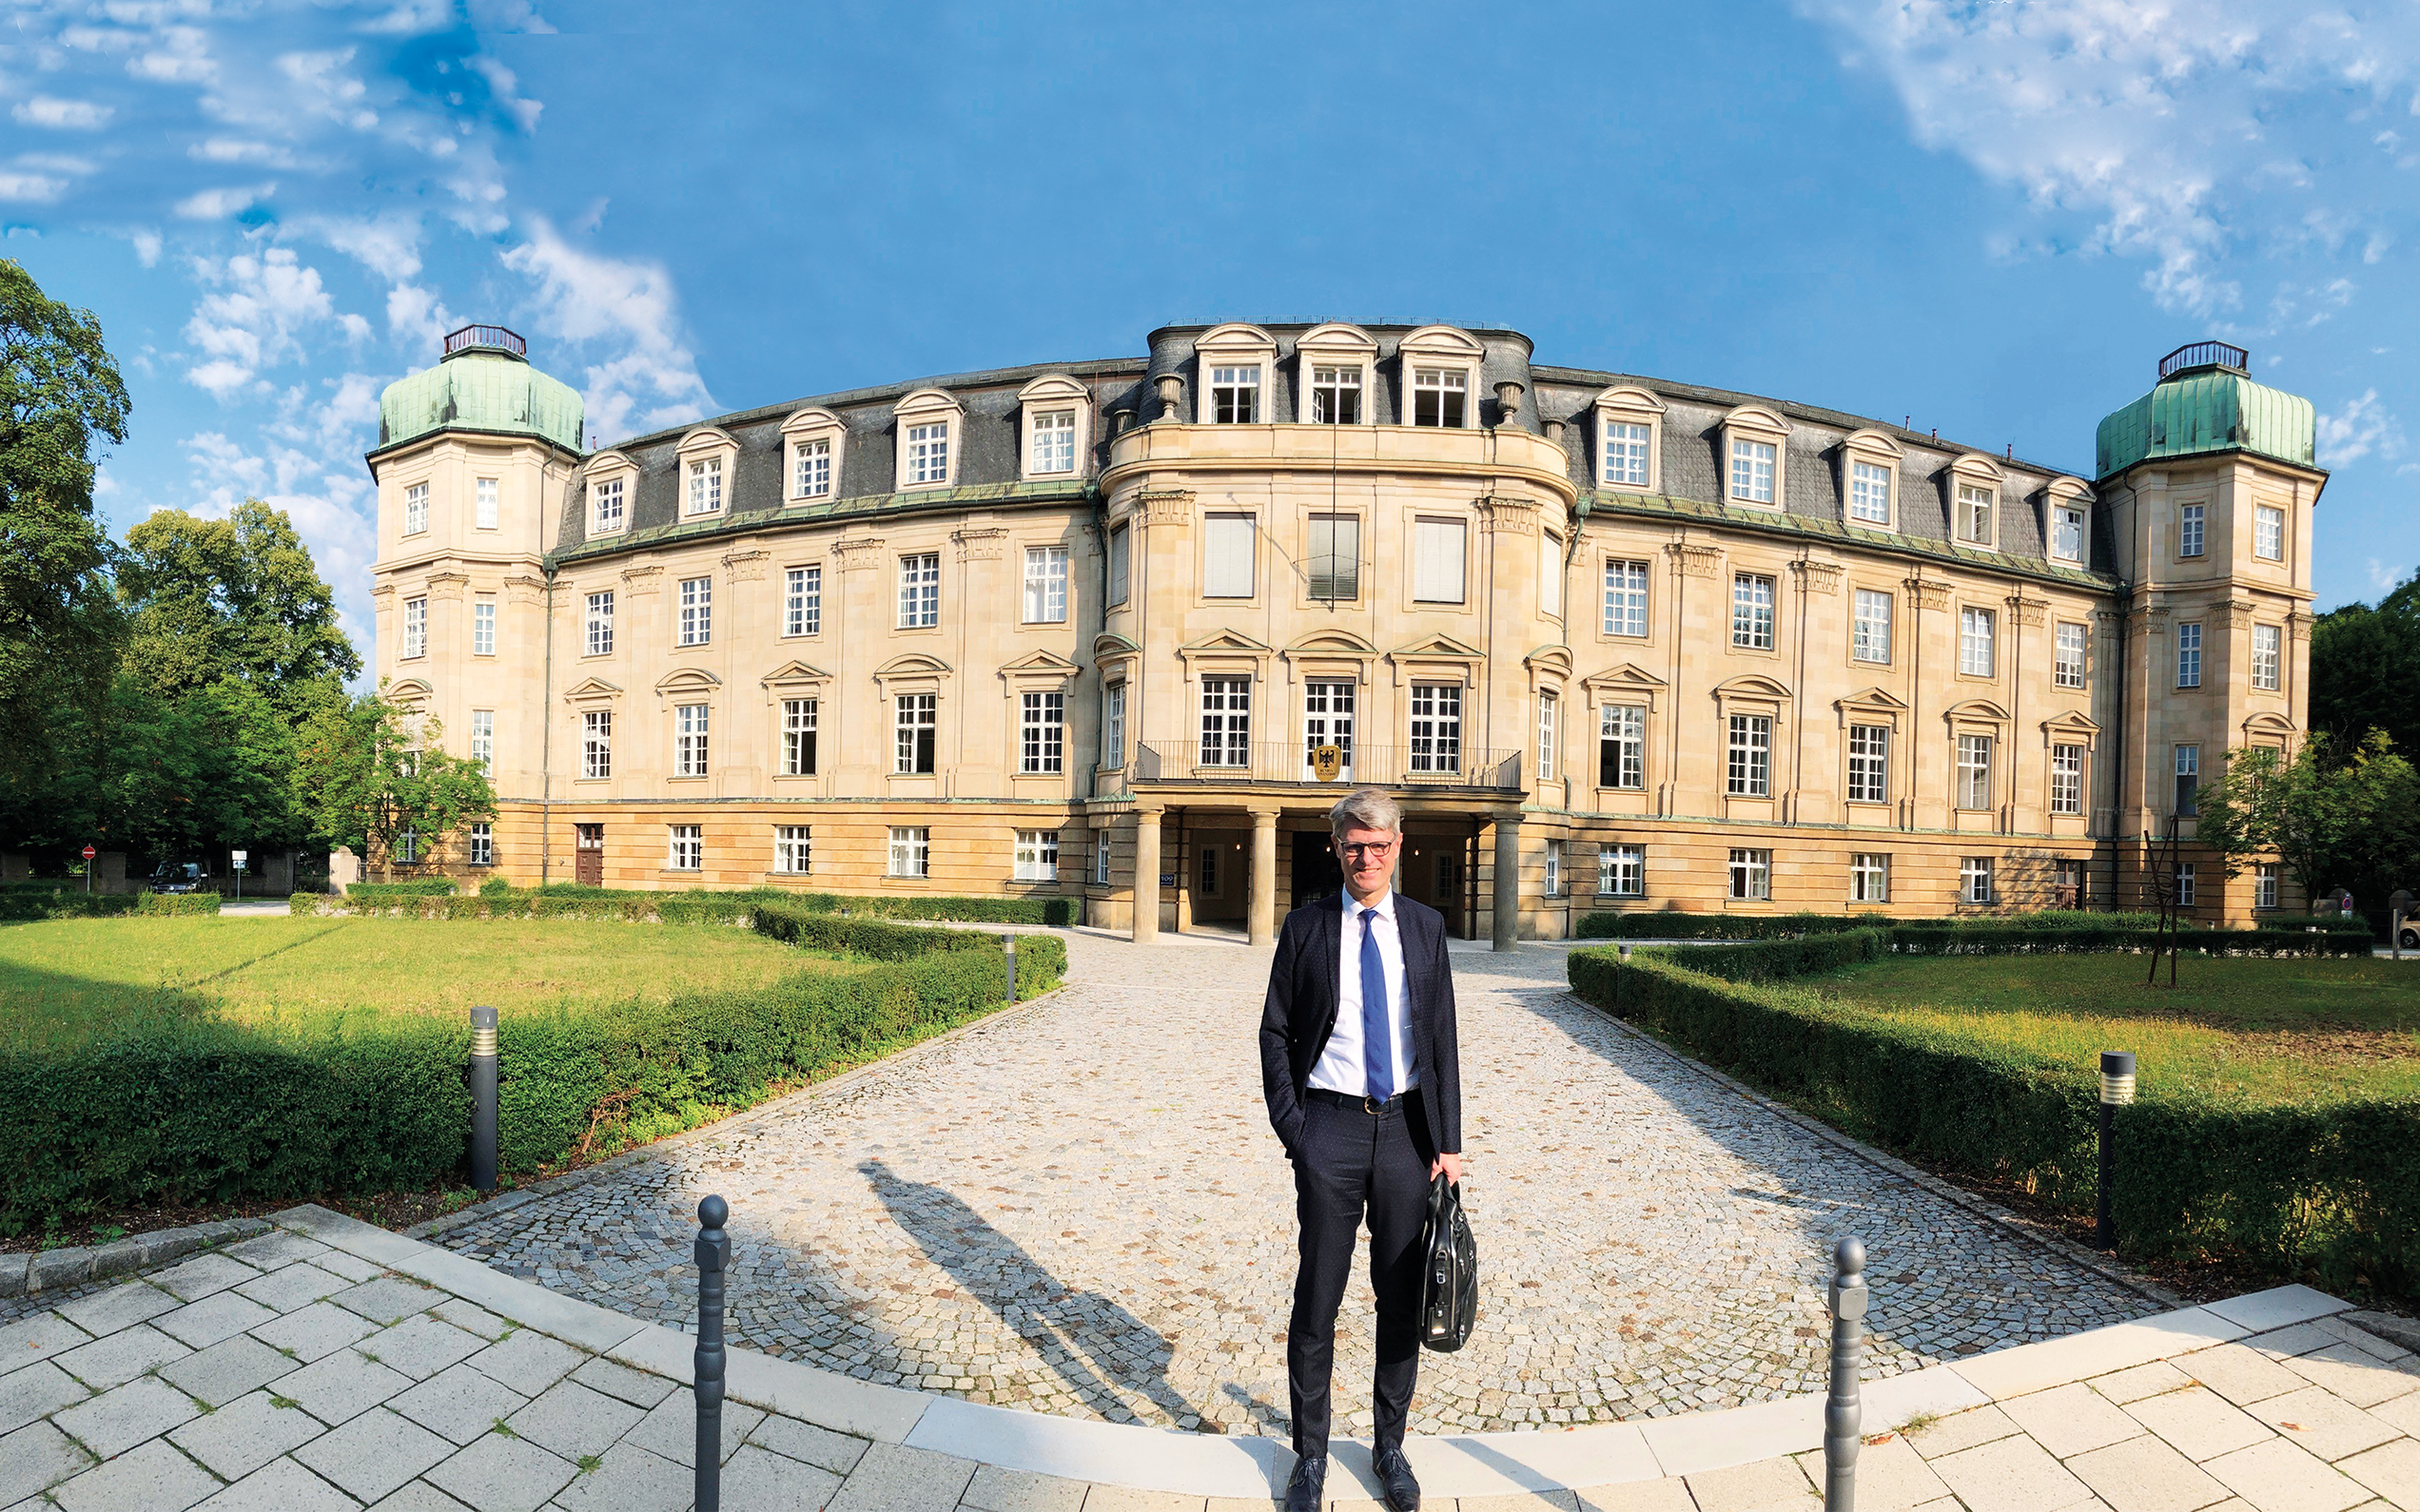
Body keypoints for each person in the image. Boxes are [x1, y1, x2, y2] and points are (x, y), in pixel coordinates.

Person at [1258, 788, 1463, 1512]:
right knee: (1319, 1296)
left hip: (1407, 1135)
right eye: (1354, 845)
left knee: (1400, 1297)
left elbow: (1441, 1036)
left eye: (1378, 845)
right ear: (1337, 849)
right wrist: (1296, 1130)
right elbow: (1275, 1031)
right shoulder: (1307, 927)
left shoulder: (1426, 927)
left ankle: (1389, 1447)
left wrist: (1449, 1142)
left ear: (1398, 847)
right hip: (1331, 1130)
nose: (1366, 858)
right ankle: (1310, 1457)